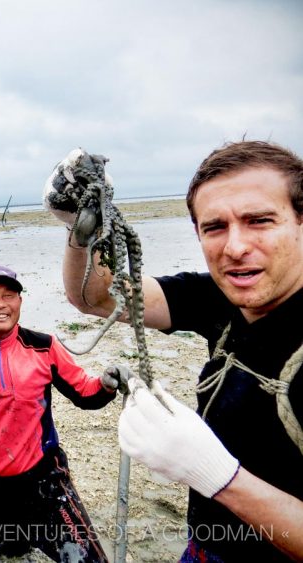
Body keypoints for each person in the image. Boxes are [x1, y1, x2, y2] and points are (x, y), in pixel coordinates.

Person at [48, 141, 303, 561]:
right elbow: (97, 298)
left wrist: (220, 477)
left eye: (259, 220)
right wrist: (81, 229)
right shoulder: (222, 296)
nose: (235, 247)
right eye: (214, 227)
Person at [0, 265, 128, 561]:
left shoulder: (44, 347)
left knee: (87, 559)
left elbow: (84, 393)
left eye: (9, 295)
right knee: (13, 553)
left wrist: (106, 385)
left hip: (46, 480)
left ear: (20, 302)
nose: (1, 304)